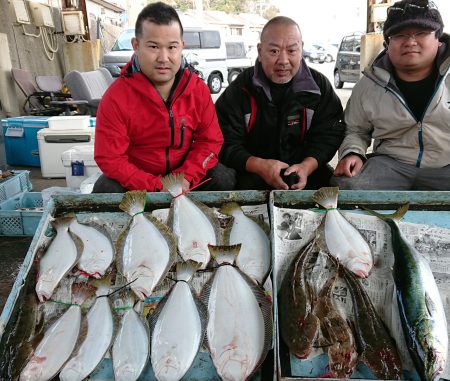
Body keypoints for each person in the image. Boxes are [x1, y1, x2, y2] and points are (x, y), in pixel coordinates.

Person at [93, 2, 235, 193]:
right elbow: (110, 157)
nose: (163, 58)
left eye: (172, 47)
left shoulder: (197, 89)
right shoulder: (116, 97)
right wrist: (156, 186)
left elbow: (210, 142)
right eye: (153, 46)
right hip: (139, 183)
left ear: (182, 47)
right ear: (136, 45)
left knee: (223, 176)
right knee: (105, 187)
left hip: (184, 178)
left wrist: (186, 177)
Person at [215, 16, 345, 191]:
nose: (283, 61)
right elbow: (223, 139)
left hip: (304, 174)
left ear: (301, 49)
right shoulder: (241, 89)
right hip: (251, 173)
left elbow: (329, 134)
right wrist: (259, 166)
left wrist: (307, 166)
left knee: (337, 187)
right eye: (274, 51)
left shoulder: (318, 87)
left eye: (291, 51)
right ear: (260, 52)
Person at [331, 0, 450, 190]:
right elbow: (355, 129)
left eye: (421, 33)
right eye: (400, 35)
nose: (410, 42)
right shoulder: (368, 84)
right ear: (387, 43)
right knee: (345, 187)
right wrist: (352, 153)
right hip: (390, 164)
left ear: (438, 38)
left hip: (445, 165)